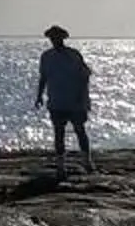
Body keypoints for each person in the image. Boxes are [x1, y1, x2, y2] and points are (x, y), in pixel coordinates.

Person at [36, 25, 93, 173]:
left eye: (57, 38)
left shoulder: (73, 55)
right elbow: (43, 77)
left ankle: (87, 161)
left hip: (75, 101)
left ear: (62, 38)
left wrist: (82, 96)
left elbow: (85, 76)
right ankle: (61, 165)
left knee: (80, 130)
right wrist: (39, 96)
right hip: (56, 101)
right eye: (52, 38)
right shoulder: (46, 56)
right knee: (59, 133)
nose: (55, 40)